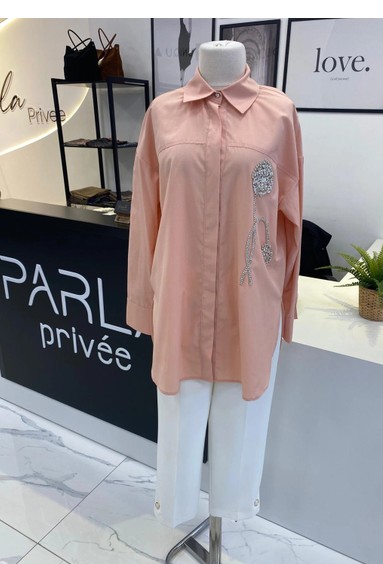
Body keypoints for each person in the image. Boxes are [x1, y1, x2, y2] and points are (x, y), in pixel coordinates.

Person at [127, 41, 303, 528]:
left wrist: (284, 309)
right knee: (177, 427)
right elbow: (146, 216)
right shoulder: (162, 115)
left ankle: (232, 513)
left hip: (249, 308)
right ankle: (177, 510)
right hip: (180, 305)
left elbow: (290, 218)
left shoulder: (280, 114)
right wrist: (143, 304)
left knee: (242, 428)